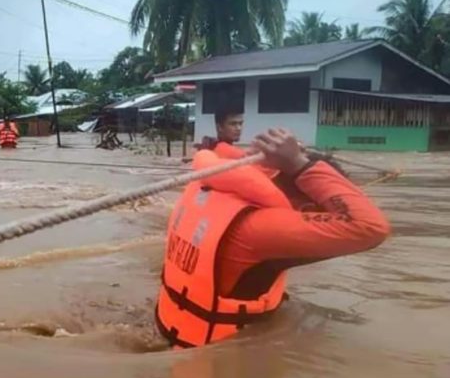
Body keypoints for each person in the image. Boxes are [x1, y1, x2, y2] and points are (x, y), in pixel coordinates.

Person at [156, 128, 391, 349]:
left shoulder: (219, 193)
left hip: (172, 330)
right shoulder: (261, 229)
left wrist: (290, 161)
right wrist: (299, 164)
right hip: (223, 356)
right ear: (309, 205)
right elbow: (369, 227)